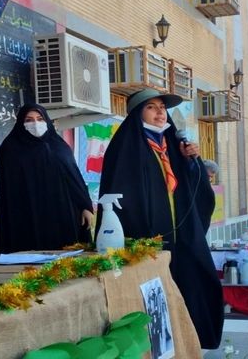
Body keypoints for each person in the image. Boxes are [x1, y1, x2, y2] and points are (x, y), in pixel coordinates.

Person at [96, 88, 223, 349]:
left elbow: (194, 189)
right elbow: (121, 194)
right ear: (137, 113)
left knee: (195, 284)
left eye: (162, 108)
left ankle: (190, 342)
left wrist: (192, 162)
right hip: (147, 239)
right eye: (151, 107)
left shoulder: (174, 146)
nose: (160, 112)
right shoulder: (126, 147)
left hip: (183, 238)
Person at [0, 103, 93, 255]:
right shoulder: (10, 148)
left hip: (64, 214)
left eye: (40, 119)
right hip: (28, 215)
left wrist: (85, 206)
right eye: (29, 120)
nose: (35, 123)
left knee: (68, 258)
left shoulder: (59, 146)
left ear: (47, 121)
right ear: (21, 122)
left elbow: (74, 179)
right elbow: (9, 191)